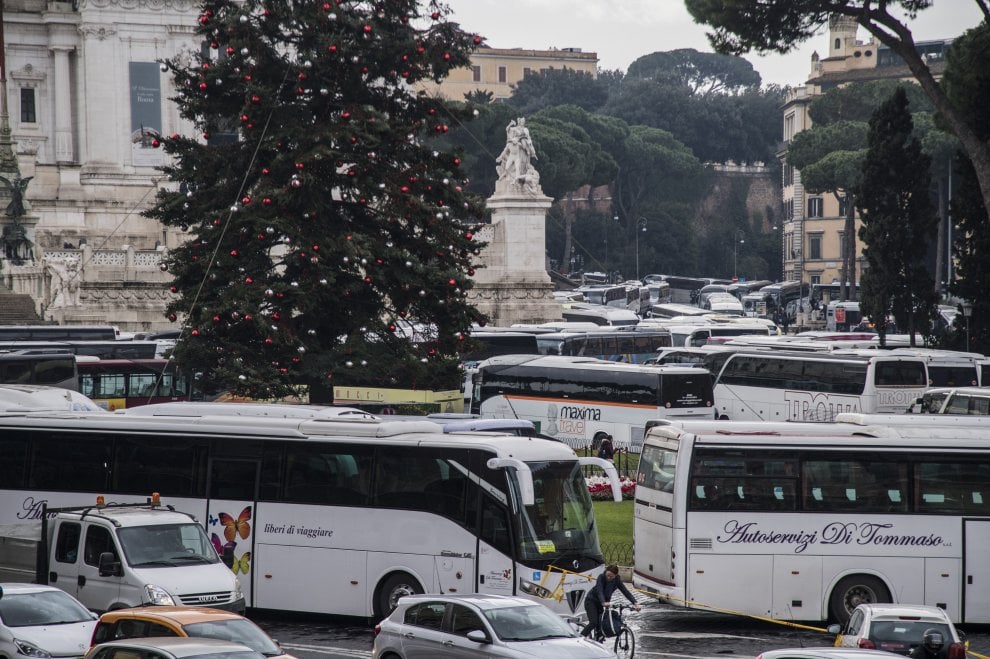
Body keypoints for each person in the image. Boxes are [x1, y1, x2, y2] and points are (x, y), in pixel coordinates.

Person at [581, 564, 640, 642]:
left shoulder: (617, 580)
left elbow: (625, 591)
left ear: (615, 575)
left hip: (602, 603)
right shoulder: (601, 577)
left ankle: (598, 642)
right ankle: (579, 638)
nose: (609, 578)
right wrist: (603, 602)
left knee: (602, 625)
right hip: (591, 601)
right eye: (608, 575)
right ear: (606, 572)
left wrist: (635, 603)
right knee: (594, 622)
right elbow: (600, 591)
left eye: (611, 576)